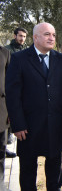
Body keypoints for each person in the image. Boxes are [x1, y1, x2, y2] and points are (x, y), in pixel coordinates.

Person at [5, 22, 62, 190]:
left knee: (54, 168)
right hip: (28, 127)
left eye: (53, 34)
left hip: (55, 124)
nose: (51, 38)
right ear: (35, 37)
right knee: (28, 169)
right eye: (46, 34)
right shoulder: (19, 58)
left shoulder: (60, 59)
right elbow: (13, 95)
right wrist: (18, 124)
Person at [4, 27, 28, 158]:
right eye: (20, 36)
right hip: (9, 88)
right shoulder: (7, 50)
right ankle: (5, 145)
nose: (22, 39)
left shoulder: (25, 50)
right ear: (15, 36)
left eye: (24, 36)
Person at [0, 46, 10, 191]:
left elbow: (10, 84)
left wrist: (11, 112)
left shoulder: (4, 53)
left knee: (1, 151)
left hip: (1, 111)